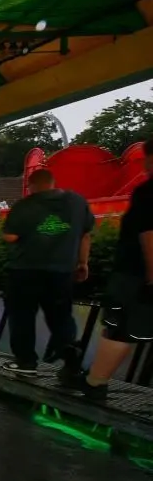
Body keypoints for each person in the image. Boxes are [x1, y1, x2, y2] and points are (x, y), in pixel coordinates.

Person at [65, 153, 153, 400]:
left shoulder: (148, 192)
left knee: (120, 327)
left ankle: (95, 382)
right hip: (135, 275)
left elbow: (149, 234)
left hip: (134, 275)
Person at [1, 169, 94, 374]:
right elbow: (86, 235)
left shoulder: (25, 205)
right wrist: (83, 263)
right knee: (61, 316)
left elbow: (10, 236)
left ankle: (25, 361)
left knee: (22, 316)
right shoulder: (77, 202)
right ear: (52, 183)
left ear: (31, 186)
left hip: (25, 271)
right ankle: (70, 357)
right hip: (62, 271)